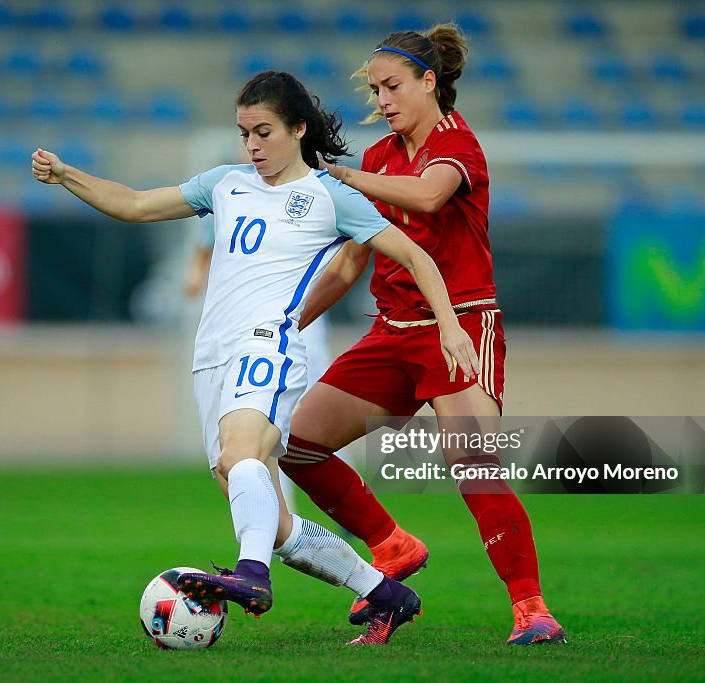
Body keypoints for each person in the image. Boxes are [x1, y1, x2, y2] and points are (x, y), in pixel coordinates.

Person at [31, 70, 480, 645]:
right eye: (245, 134)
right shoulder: (225, 184)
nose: (252, 146)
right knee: (267, 516)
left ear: (297, 129)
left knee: (244, 454)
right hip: (212, 355)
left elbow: (415, 254)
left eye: (263, 132)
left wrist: (450, 326)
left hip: (269, 345)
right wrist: (67, 175)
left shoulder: (329, 196)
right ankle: (384, 592)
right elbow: (138, 205)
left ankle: (250, 577)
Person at [279, 26, 567, 646]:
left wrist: (345, 179)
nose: (382, 99)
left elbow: (432, 197)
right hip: (391, 333)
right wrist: (285, 324)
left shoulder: (457, 145)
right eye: (376, 89)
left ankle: (532, 610)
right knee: (297, 445)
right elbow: (352, 263)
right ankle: (393, 545)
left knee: (472, 461)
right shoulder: (380, 157)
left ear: (429, 81)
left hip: (459, 326)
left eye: (392, 85)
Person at [184, 217, 358, 516]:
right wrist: (197, 273)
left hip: (301, 316)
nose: (252, 165)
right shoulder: (231, 189)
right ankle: (280, 515)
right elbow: (206, 239)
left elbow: (354, 246)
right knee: (267, 425)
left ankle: (346, 502)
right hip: (250, 328)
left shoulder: (313, 191)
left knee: (319, 414)